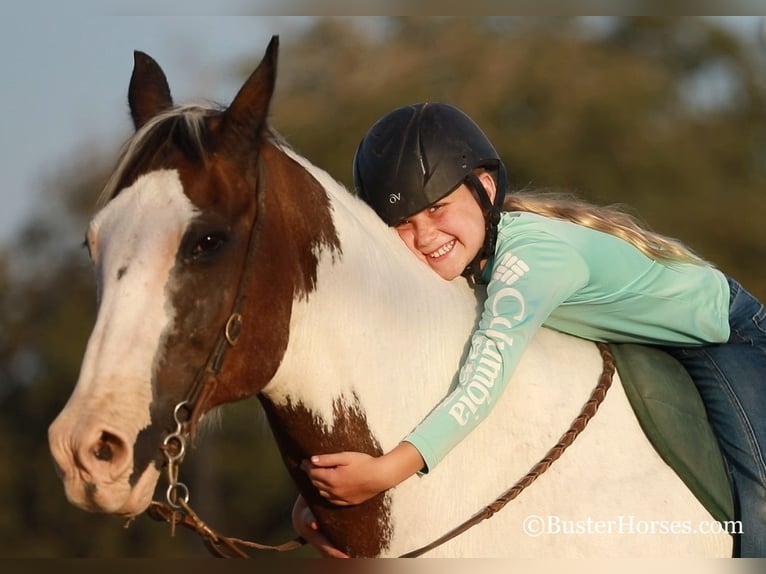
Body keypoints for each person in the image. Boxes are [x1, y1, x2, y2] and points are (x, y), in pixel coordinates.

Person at [292, 103, 766, 557]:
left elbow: (481, 381)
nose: (425, 236)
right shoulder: (468, 266)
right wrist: (316, 497)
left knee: (758, 483)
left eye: (437, 208)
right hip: (648, 338)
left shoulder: (528, 262)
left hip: (724, 330)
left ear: (484, 187)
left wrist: (384, 473)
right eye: (403, 223)